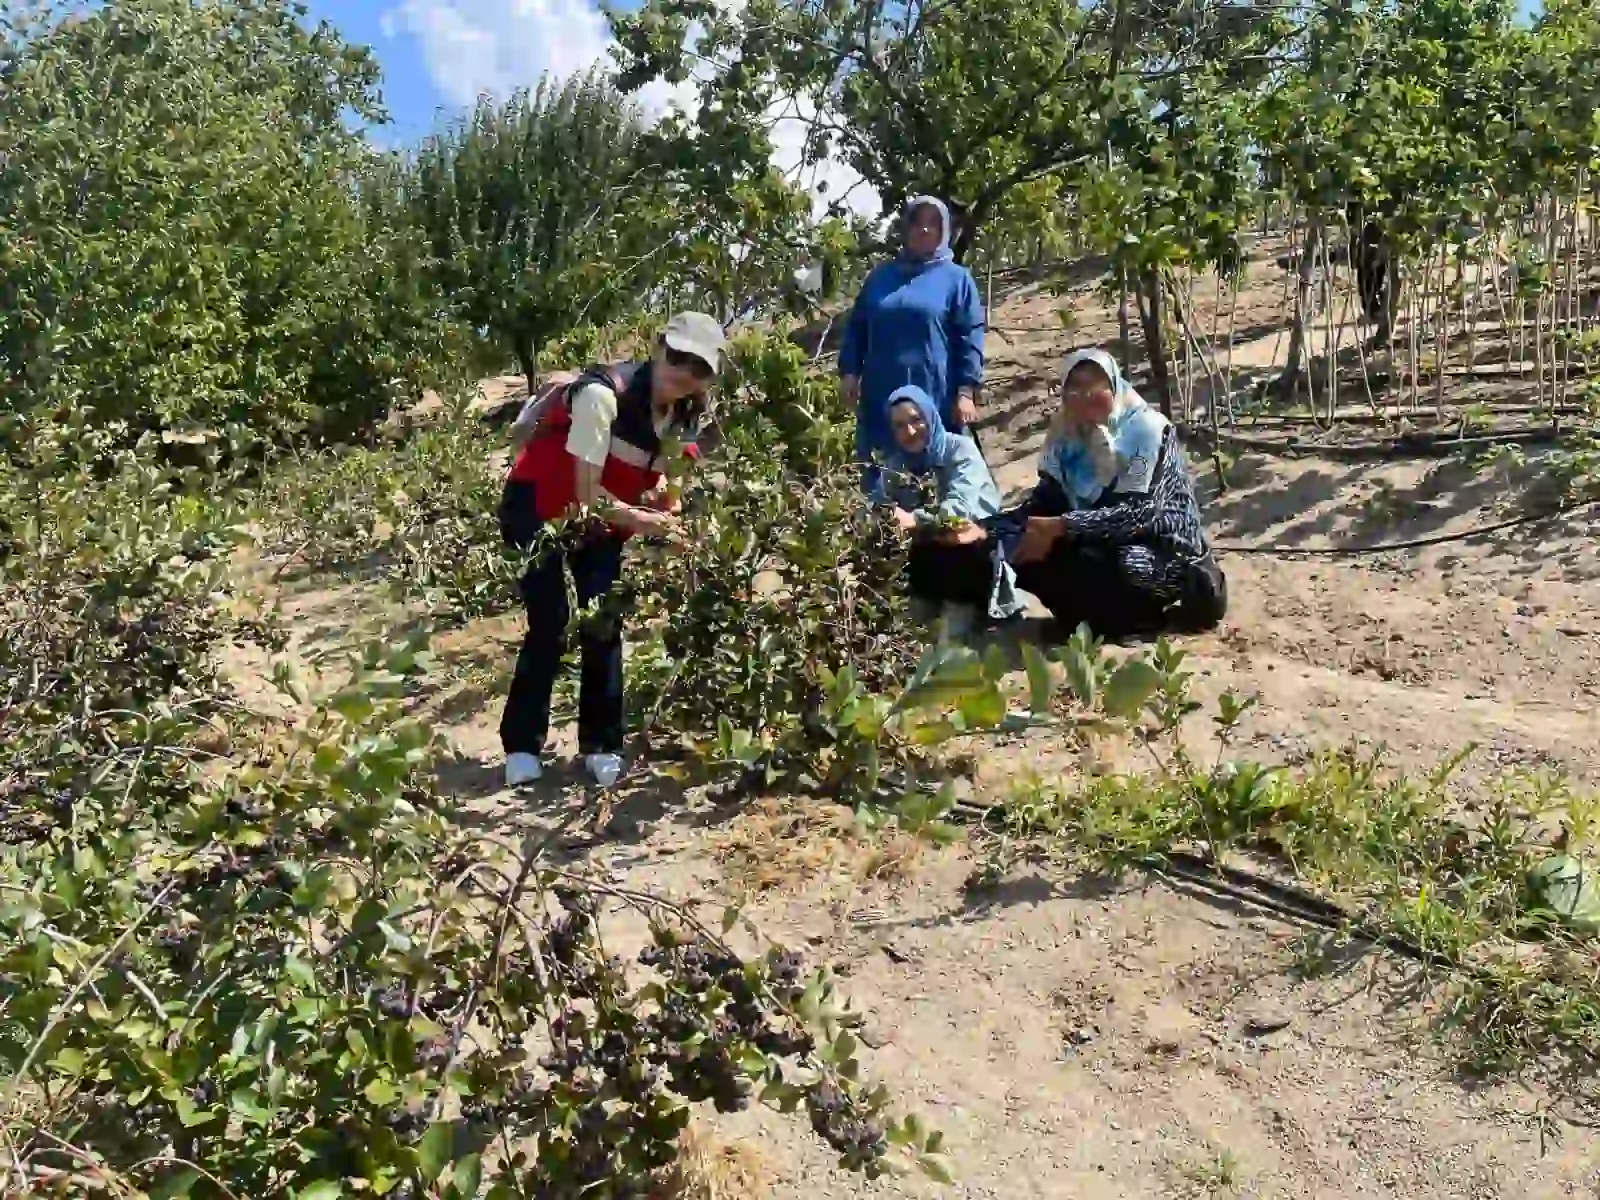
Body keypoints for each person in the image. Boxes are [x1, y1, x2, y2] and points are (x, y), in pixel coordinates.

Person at [496, 312, 725, 790]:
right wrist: (646, 521)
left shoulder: (684, 413)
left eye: (698, 368)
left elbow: (662, 473)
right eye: (678, 357)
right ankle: (521, 745)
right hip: (538, 506)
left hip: (606, 521)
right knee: (552, 620)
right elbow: (587, 497)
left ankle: (602, 744)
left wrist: (666, 498)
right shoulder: (603, 396)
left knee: (603, 620)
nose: (683, 373)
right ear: (659, 347)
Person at [1000, 348, 1228, 641]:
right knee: (1025, 547)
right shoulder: (1064, 436)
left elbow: (1140, 514)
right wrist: (990, 529)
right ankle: (1080, 622)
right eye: (1075, 386)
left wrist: (1062, 525)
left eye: (1095, 384)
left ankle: (1140, 621)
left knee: (1123, 564)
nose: (1084, 394)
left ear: (1114, 387)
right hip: (1097, 541)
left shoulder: (1147, 430)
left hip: (1163, 551)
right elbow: (1044, 502)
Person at [839, 196, 986, 490]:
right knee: (881, 471)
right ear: (905, 228)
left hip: (935, 391)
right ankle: (884, 529)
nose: (925, 230)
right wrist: (849, 372)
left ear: (945, 231)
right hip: (882, 390)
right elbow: (857, 326)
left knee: (938, 475)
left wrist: (966, 391)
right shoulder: (880, 278)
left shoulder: (957, 279)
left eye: (934, 223)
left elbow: (970, 335)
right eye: (918, 222)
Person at [873, 385, 1023, 636]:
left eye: (916, 419)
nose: (910, 431)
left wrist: (914, 519)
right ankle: (924, 603)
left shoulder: (961, 450)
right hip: (928, 558)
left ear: (930, 416)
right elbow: (880, 505)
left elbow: (958, 509)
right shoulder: (895, 466)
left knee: (958, 533)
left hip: (974, 554)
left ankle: (964, 607)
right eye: (899, 426)